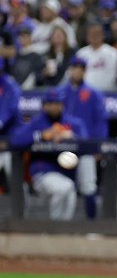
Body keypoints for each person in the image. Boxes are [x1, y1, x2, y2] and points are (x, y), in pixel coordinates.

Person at [9, 89, 87, 220]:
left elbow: (88, 144)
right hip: (42, 172)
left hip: (67, 172)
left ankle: (63, 229)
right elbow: (15, 140)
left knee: (69, 191)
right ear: (44, 106)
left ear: (62, 105)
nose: (54, 107)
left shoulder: (72, 123)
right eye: (50, 103)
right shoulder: (37, 123)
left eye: (57, 103)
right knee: (64, 188)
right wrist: (41, 135)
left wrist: (72, 137)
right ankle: (55, 227)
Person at [58, 56, 108, 219]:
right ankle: (61, 226)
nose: (77, 71)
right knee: (63, 187)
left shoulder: (93, 93)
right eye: (74, 68)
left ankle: (90, 224)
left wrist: (98, 145)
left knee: (88, 185)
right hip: (61, 147)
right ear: (69, 70)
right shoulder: (60, 93)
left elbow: (100, 121)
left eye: (80, 68)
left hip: (85, 147)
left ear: (85, 71)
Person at [75, 23, 117, 91]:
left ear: (102, 35)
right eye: (91, 34)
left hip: (108, 92)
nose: (94, 37)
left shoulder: (113, 53)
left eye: (97, 34)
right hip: (85, 93)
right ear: (87, 37)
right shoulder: (81, 54)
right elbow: (74, 75)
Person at [0, 73, 22, 188]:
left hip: (10, 142)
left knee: (16, 182)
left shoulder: (9, 86)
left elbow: (5, 116)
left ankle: (21, 207)